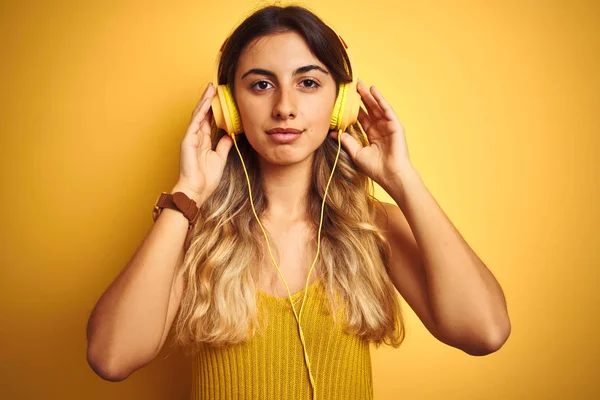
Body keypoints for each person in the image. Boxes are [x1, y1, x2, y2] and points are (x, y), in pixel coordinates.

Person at [86, 4, 511, 400]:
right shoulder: (194, 230)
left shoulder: (372, 226)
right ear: (229, 107)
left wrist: (403, 180)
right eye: (261, 84)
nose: (284, 107)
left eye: (308, 83)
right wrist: (188, 194)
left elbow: (484, 332)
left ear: (339, 104)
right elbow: (111, 358)